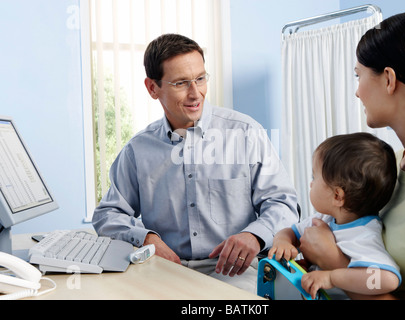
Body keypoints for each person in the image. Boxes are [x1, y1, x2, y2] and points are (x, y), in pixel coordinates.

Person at [92, 34, 299, 292]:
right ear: (152, 88)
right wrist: (146, 238)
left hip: (236, 275)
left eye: (200, 79)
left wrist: (254, 235)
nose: (195, 93)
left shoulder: (246, 133)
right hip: (164, 274)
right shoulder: (138, 150)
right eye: (181, 83)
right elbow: (107, 214)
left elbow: (283, 203)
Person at [300, 12, 405, 300]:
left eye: (359, 76)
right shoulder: (390, 164)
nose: (357, 92)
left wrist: (334, 265)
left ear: (389, 79)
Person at [268, 132, 401, 299]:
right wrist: (282, 242)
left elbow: (389, 280)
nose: (311, 183)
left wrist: (333, 277)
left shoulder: (363, 235)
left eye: (314, 177)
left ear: (337, 196)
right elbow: (289, 232)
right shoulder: (324, 219)